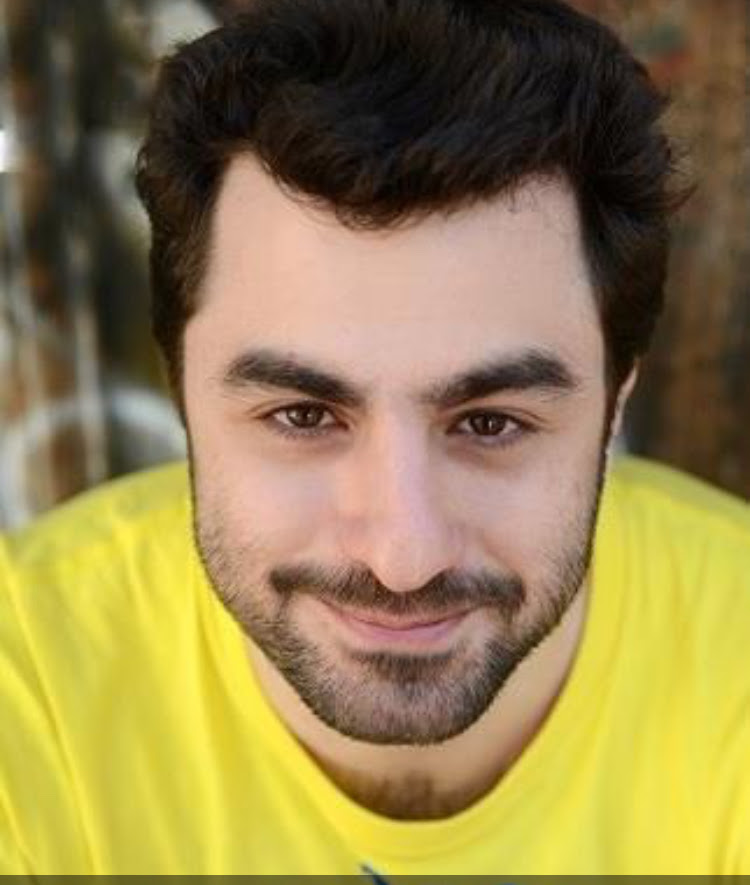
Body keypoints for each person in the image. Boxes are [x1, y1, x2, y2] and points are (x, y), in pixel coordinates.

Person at [0, 0, 748, 874]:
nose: (403, 557)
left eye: (491, 422)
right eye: (303, 415)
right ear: (182, 391)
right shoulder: (27, 676)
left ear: (615, 404)